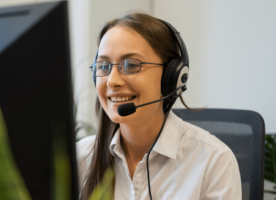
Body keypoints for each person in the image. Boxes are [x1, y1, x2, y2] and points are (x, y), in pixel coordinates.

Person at [76, 13, 241, 200]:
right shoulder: (80, 159)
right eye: (103, 66)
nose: (112, 81)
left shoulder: (213, 162)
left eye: (131, 65)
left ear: (171, 77)